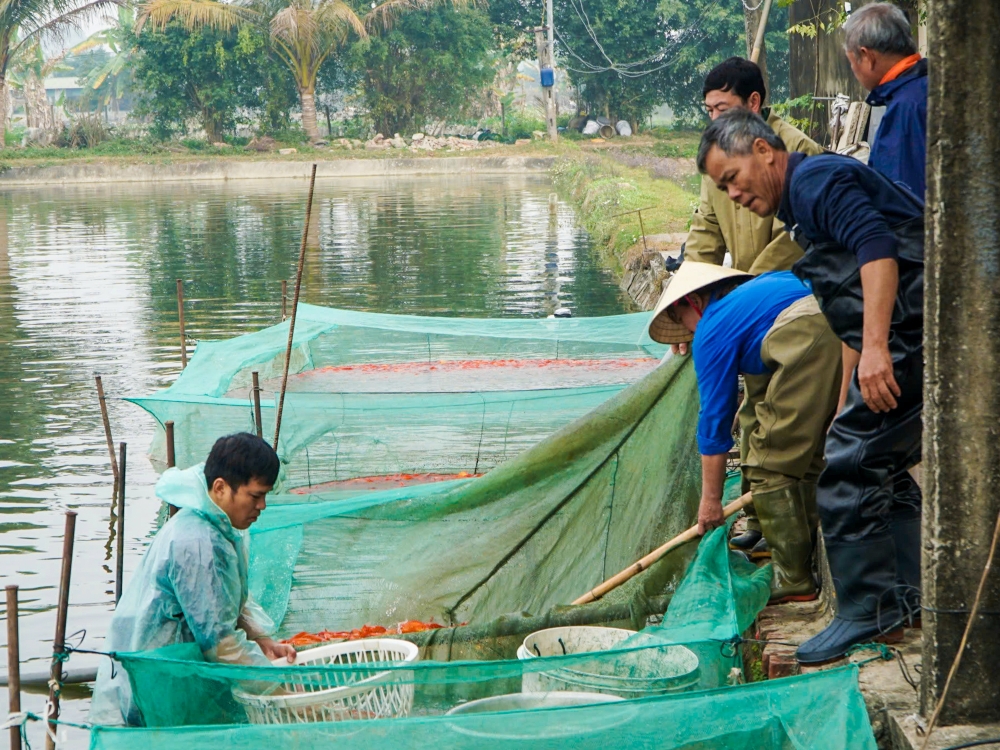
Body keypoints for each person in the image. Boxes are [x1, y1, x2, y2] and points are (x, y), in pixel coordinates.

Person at [697, 108, 923, 664]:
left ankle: (867, 611)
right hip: (895, 334)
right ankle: (905, 600)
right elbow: (845, 303)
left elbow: (877, 248)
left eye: (733, 178)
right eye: (723, 188)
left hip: (912, 330)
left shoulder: (815, 180)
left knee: (845, 466)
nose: (733, 195)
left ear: (763, 150)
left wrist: (876, 349)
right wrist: (849, 385)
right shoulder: (799, 209)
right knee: (884, 466)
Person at [683, 58, 824, 558]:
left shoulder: (796, 151)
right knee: (751, 419)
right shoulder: (717, 160)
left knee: (787, 432)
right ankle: (760, 520)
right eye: (708, 110)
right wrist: (691, 296)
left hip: (793, 302)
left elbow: (797, 236)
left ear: (754, 103)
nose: (713, 118)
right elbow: (703, 233)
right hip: (749, 307)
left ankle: (796, 546)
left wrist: (746, 292)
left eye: (722, 108)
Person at [648, 262, 841, 604]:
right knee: (806, 456)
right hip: (846, 317)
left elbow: (714, 420)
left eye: (681, 320)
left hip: (811, 332)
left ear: (693, 302)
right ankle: (802, 554)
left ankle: (793, 578)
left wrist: (711, 501)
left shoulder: (712, 326)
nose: (688, 333)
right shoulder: (761, 290)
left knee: (768, 463)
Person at [90, 432, 294, 726]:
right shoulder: (199, 543)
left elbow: (223, 602)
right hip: (164, 681)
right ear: (220, 487)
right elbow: (221, 644)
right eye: (255, 496)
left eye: (265, 496)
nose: (262, 506)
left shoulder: (216, 523)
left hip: (182, 671)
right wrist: (279, 694)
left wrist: (260, 639)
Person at [843, 2, 927, 197]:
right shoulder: (927, 86)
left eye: (851, 63)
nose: (854, 71)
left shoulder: (905, 109)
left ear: (867, 57)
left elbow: (900, 199)